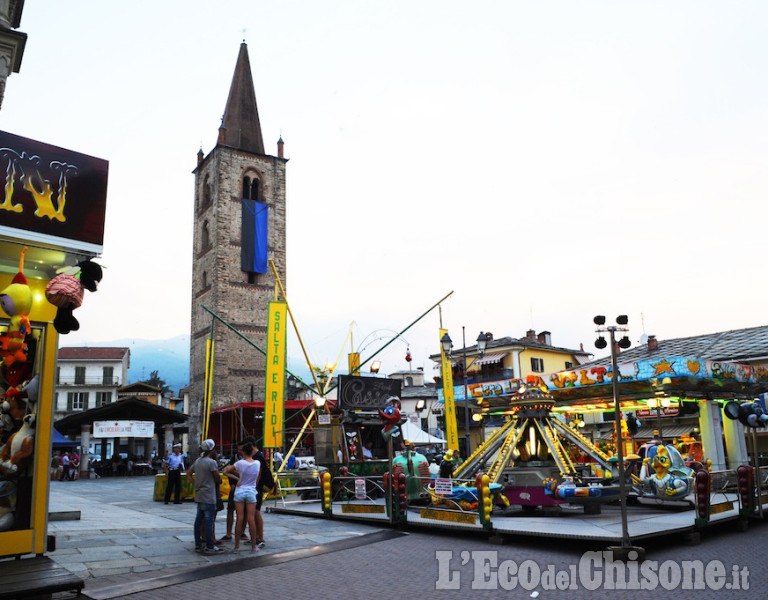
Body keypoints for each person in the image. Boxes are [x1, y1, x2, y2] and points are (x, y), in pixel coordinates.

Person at [222, 438, 261, 553]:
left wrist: (237, 478)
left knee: (239, 518)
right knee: (251, 519)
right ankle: (254, 546)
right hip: (251, 492)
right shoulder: (257, 463)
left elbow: (225, 471)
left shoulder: (239, 463)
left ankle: (237, 546)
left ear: (243, 452)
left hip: (239, 491)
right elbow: (257, 476)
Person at [187, 439, 223, 554]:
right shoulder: (211, 462)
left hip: (199, 493)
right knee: (209, 521)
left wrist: (196, 483)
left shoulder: (198, 461)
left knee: (198, 521)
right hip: (209, 495)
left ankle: (198, 544)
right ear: (211, 450)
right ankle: (209, 546)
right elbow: (217, 478)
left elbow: (188, 473)